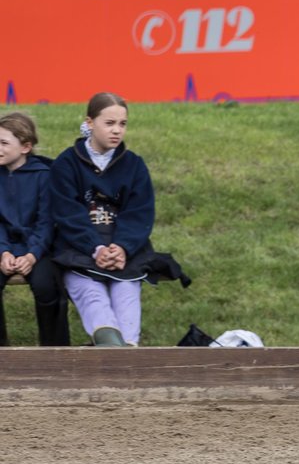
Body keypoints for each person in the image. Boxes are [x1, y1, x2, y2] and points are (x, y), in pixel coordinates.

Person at [50, 93, 186, 347]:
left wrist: (122, 247)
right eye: (109, 123)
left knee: (127, 296)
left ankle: (123, 359)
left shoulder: (134, 165)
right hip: (79, 250)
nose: (117, 131)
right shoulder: (66, 163)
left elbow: (140, 214)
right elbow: (68, 214)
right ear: (90, 123)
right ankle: (111, 347)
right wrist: (96, 248)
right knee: (93, 298)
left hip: (126, 252)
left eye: (122, 124)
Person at [0, 112, 69, 346]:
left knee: (46, 285)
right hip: (5, 248)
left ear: (25, 147)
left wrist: (32, 255)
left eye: (3, 143)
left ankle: (53, 352)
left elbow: (47, 222)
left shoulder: (44, 176)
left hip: (40, 248)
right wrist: (4, 252)